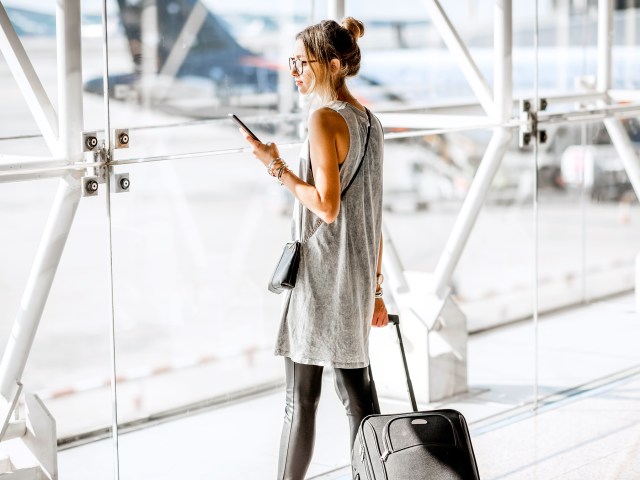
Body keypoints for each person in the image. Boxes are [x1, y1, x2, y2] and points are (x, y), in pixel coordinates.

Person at [240, 17, 388, 480]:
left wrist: (275, 165)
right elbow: (373, 213)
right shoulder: (369, 119)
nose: (294, 72)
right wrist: (377, 290)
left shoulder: (323, 118)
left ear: (330, 64)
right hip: (358, 275)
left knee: (300, 401)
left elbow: (325, 207)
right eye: (293, 62)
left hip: (322, 278)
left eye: (301, 63)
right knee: (360, 399)